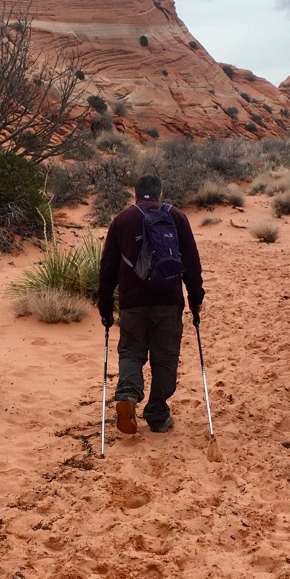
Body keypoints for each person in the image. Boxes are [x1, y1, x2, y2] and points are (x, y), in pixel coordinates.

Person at [97, 174, 204, 434]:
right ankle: (157, 414)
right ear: (160, 193)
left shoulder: (123, 219)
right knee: (165, 358)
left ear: (136, 194)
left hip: (132, 301)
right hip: (169, 301)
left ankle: (127, 394)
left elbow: (108, 266)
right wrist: (195, 298)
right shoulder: (177, 217)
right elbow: (191, 262)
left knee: (132, 352)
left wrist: (104, 304)